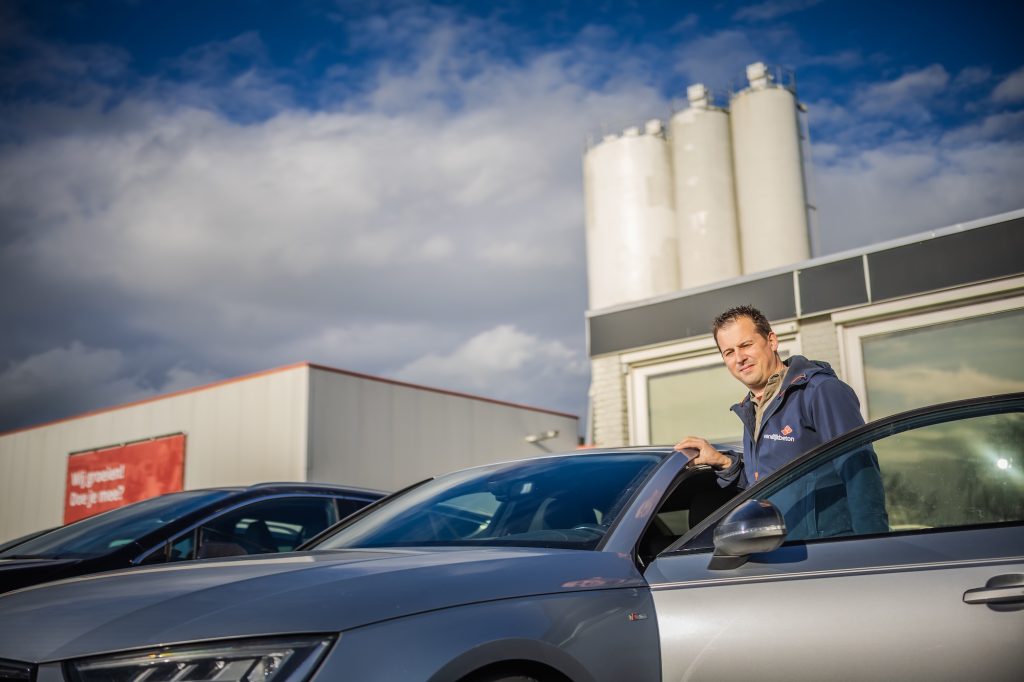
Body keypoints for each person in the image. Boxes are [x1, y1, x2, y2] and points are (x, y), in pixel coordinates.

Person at [675, 305, 888, 537]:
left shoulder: (820, 391)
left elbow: (860, 473)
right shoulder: (753, 409)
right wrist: (724, 462)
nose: (740, 358)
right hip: (781, 554)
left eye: (746, 345)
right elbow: (767, 482)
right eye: (729, 352)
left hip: (826, 553)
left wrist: (873, 544)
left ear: (772, 341)